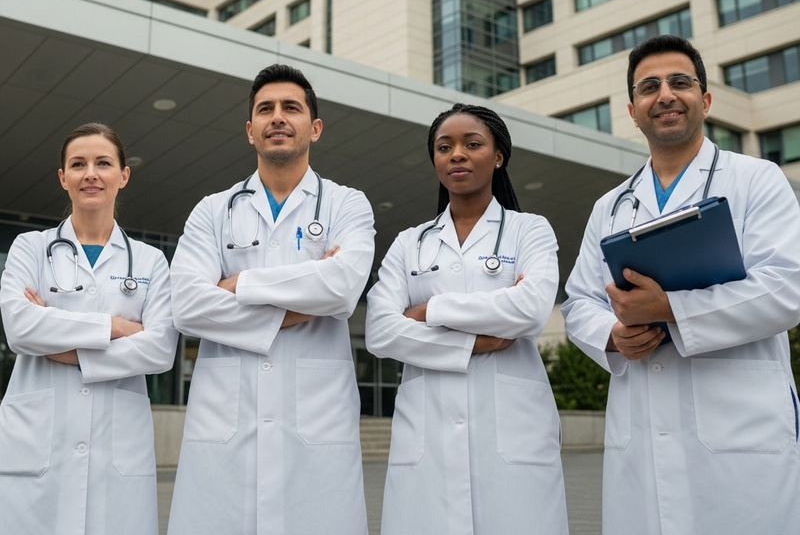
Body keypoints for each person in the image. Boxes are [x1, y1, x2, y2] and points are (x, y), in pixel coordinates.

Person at [562, 35, 800, 534]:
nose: (665, 95)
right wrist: (612, 335)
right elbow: (578, 301)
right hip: (642, 438)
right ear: (633, 112)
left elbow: (787, 288)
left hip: (742, 438)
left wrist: (669, 308)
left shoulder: (757, 179)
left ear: (705, 100)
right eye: (649, 87)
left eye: (679, 82)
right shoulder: (610, 206)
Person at [167, 64, 375, 535]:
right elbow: (187, 306)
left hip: (316, 429)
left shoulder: (346, 204)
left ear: (314, 128)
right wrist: (308, 294)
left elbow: (342, 288)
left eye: (291, 108)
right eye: (265, 109)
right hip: (225, 428)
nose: (277, 117)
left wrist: (235, 284)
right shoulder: (212, 211)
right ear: (250, 130)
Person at [365, 103, 569, 535]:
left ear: (498, 156)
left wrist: (428, 311)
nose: (456, 154)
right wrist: (475, 340)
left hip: (513, 434)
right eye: (444, 147)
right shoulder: (409, 243)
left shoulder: (529, 230)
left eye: (472, 144)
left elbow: (530, 310)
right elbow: (380, 331)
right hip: (428, 435)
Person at [0, 122, 178, 535]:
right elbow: (21, 328)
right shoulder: (30, 248)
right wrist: (116, 326)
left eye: (103, 163)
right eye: (78, 164)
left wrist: (65, 348)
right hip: (38, 444)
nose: (90, 174)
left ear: (123, 175)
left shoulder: (151, 261)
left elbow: (159, 349)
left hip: (117, 449)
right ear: (63, 177)